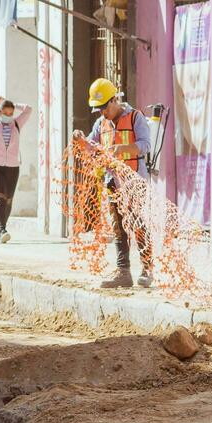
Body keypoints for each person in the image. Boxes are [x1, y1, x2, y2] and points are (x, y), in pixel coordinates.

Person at [80, 78, 154, 289]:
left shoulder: (135, 118)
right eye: (98, 109)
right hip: (112, 181)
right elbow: (91, 146)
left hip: (134, 179)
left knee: (138, 224)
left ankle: (147, 269)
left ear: (114, 100)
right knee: (118, 226)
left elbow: (145, 145)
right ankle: (123, 271)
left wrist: (124, 149)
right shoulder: (100, 124)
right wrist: (81, 141)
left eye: (104, 107)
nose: (102, 112)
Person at [0, 96, 31, 244]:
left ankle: (4, 226)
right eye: (5, 113)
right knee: (0, 197)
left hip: (13, 166)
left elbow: (29, 109)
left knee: (8, 199)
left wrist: (14, 104)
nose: (8, 116)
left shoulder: (17, 124)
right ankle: (2, 230)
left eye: (11, 113)